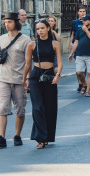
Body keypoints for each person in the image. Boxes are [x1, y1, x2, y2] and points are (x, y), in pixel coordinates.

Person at [0, 13, 32, 148]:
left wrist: (28, 79)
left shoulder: (25, 40)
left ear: (16, 23)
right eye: (5, 22)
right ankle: (1, 137)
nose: (6, 24)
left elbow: (28, 62)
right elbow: (0, 60)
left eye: (9, 22)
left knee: (20, 109)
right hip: (4, 79)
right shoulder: (1, 39)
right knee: (2, 108)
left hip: (19, 80)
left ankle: (17, 135)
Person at [23, 19, 63, 149]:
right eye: (38, 29)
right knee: (37, 107)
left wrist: (58, 75)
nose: (40, 31)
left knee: (50, 108)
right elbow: (27, 64)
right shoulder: (32, 45)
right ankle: (40, 138)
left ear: (48, 28)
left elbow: (60, 62)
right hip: (35, 76)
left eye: (42, 28)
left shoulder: (55, 44)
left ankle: (47, 137)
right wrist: (25, 79)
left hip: (50, 76)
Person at [68, 14, 90, 97]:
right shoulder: (79, 30)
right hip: (79, 54)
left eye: (85, 20)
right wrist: (71, 53)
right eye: (82, 20)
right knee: (79, 73)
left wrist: (86, 31)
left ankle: (88, 91)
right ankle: (84, 84)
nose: (83, 22)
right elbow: (76, 42)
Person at [70, 5, 87, 90]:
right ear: (78, 12)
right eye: (81, 11)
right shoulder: (75, 22)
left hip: (85, 45)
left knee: (85, 66)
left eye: (84, 11)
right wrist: (71, 43)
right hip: (76, 45)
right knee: (78, 66)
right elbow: (72, 33)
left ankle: (83, 82)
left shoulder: (88, 22)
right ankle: (80, 83)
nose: (82, 13)